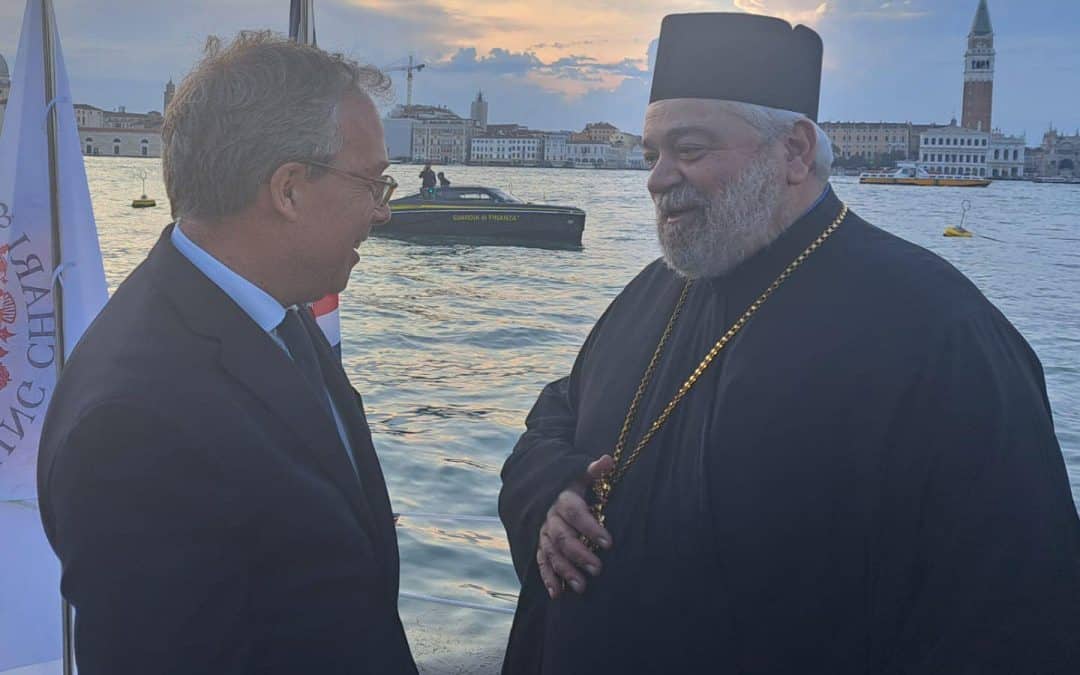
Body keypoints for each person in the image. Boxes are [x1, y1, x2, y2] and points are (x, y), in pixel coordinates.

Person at [499, 12, 1080, 675]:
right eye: (650, 154)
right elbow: (549, 427)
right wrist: (554, 494)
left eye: (688, 149)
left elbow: (1012, 614)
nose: (658, 178)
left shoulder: (943, 336)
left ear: (796, 152)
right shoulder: (650, 293)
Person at [37, 32, 416, 674]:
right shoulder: (134, 418)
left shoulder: (271, 310)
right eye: (371, 184)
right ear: (288, 189)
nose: (381, 213)